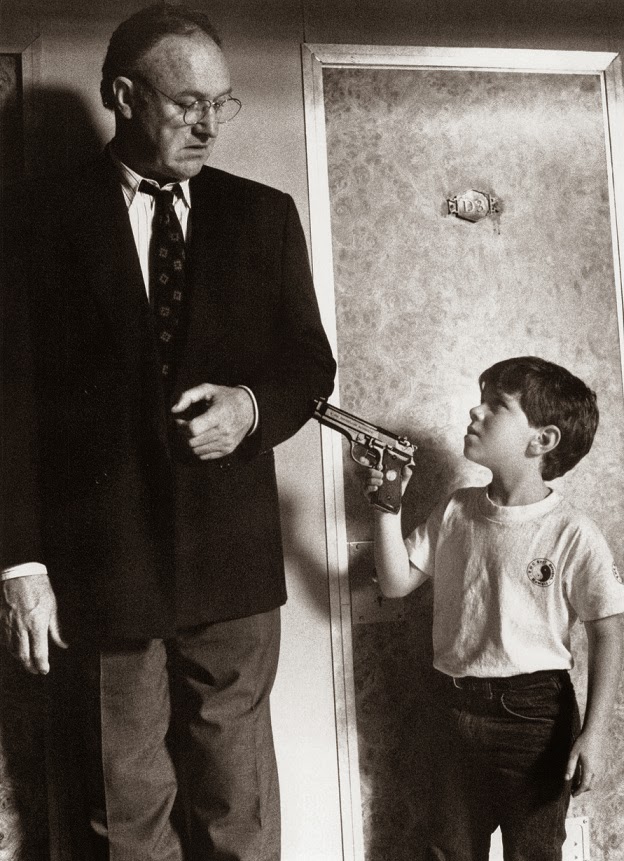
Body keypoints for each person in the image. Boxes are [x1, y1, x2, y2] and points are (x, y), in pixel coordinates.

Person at [0, 4, 335, 860]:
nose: (209, 125)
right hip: (101, 559)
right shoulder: (32, 219)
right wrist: (21, 563)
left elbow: (310, 365)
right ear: (123, 96)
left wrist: (251, 407)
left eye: (221, 104)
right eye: (188, 103)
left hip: (231, 558)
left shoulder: (263, 215)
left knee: (238, 806)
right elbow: (9, 401)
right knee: (123, 810)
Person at [363, 356, 624, 861]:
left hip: (534, 718)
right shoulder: (457, 509)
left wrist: (596, 733)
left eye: (497, 406)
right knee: (448, 850)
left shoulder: (573, 532)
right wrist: (385, 507)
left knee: (533, 852)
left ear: (542, 440)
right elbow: (395, 584)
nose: (475, 412)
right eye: (480, 401)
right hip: (450, 706)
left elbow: (609, 631)